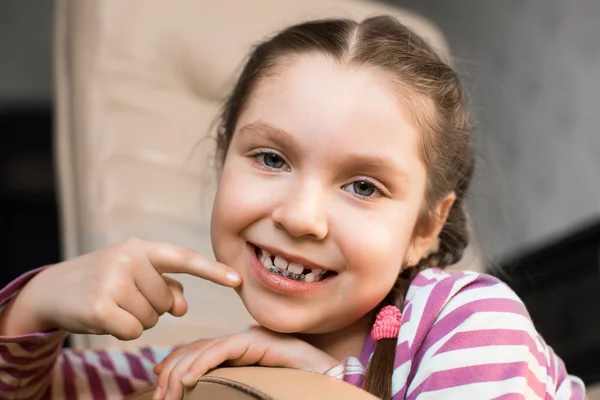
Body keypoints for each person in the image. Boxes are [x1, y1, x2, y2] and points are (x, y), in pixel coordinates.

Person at [0, 16, 587, 400]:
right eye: (271, 158)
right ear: (222, 163)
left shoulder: (470, 319)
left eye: (363, 187)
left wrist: (323, 383)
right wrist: (32, 308)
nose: (300, 216)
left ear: (425, 227)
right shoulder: (201, 362)